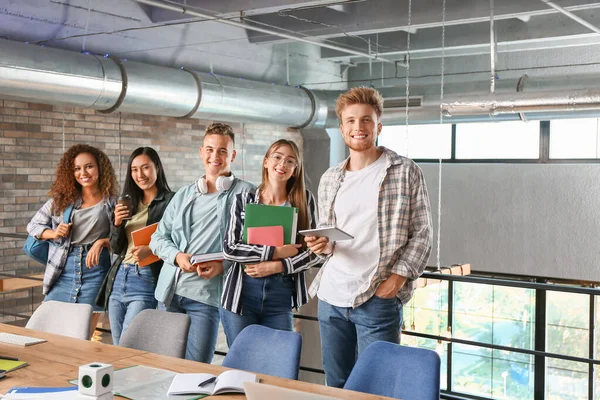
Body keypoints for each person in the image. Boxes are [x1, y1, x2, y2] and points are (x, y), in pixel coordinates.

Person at [305, 87, 433, 388]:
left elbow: (422, 235)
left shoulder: (404, 171)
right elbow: (329, 240)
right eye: (350, 121)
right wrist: (322, 245)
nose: (357, 127)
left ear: (379, 126)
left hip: (377, 298)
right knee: (336, 385)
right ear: (341, 128)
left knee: (378, 387)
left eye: (366, 120)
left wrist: (395, 282)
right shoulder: (329, 178)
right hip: (331, 297)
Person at [150, 122, 254, 362]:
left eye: (222, 151)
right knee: (163, 366)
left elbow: (253, 247)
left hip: (206, 299)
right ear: (201, 152)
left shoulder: (247, 194)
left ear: (233, 155)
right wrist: (177, 256)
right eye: (209, 149)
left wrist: (223, 265)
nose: (214, 156)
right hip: (168, 294)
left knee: (197, 370)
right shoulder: (184, 194)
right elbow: (158, 238)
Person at [221, 139, 322, 346]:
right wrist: (275, 252)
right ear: (266, 162)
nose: (282, 164)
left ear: (295, 170)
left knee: (277, 362)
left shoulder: (305, 201)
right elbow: (230, 248)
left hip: (281, 296)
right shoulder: (243, 199)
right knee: (243, 363)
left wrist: (279, 265)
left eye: (290, 161)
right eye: (277, 157)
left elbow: (313, 252)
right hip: (242, 295)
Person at [27, 144, 118, 335]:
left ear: (100, 168)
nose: (83, 172)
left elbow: (122, 238)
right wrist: (53, 233)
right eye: (77, 168)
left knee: (82, 334)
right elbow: (33, 226)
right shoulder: (62, 201)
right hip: (63, 270)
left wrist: (103, 242)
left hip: (96, 271)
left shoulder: (113, 202)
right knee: (47, 330)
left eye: (89, 166)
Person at [96, 147, 174, 345]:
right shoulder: (127, 201)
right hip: (118, 276)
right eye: (134, 169)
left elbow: (178, 240)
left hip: (145, 277)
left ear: (157, 167)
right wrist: (116, 223)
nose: (140, 175)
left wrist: (151, 249)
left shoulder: (171, 201)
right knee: (117, 345)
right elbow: (115, 247)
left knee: (129, 344)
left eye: (145, 167)